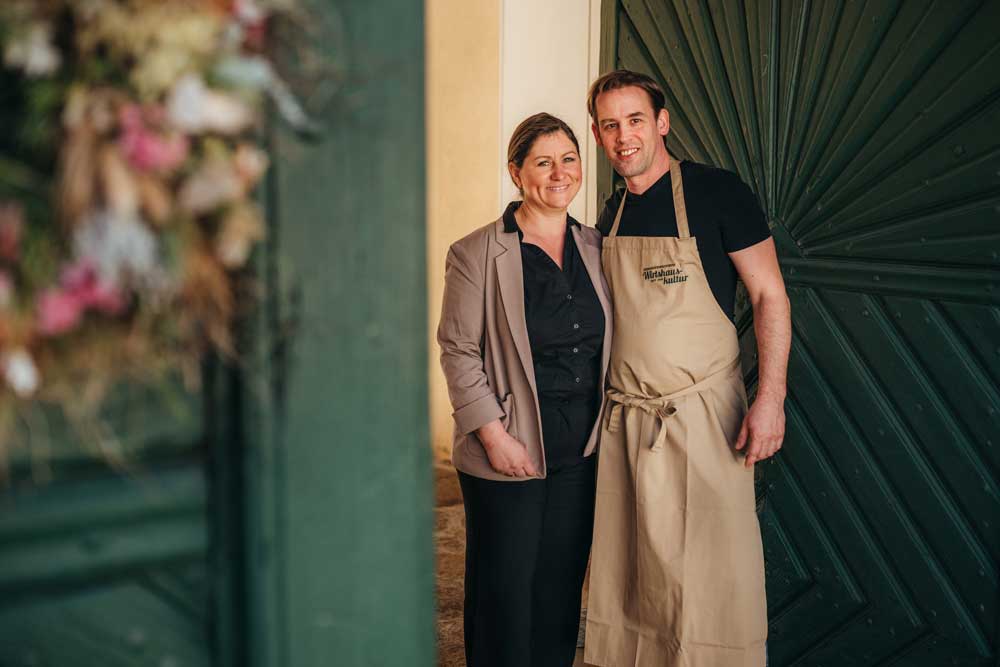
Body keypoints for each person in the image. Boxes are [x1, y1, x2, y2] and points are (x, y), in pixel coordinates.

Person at [582, 70, 791, 667]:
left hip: (703, 419)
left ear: (663, 122)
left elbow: (769, 295)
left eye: (636, 120)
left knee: (710, 583)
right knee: (632, 583)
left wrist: (770, 398)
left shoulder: (719, 193)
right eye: (610, 125)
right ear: (598, 135)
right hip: (627, 424)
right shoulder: (612, 210)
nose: (624, 137)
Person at [437, 112, 613, 667]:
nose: (559, 173)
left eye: (569, 159)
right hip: (511, 443)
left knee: (560, 591)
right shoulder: (476, 253)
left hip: (582, 447)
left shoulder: (597, 245)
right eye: (543, 162)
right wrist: (492, 435)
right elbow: (458, 350)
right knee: (504, 595)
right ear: (517, 172)